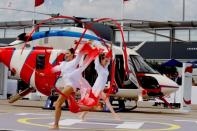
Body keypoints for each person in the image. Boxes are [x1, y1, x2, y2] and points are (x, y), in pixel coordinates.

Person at [79, 53, 120, 121]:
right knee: (106, 101)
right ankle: (115, 115)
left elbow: (109, 60)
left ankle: (82, 115)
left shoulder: (105, 67)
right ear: (101, 60)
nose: (106, 61)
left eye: (107, 61)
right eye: (105, 60)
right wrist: (98, 52)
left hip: (100, 88)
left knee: (92, 104)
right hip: (97, 88)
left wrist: (110, 53)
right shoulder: (98, 67)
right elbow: (97, 60)